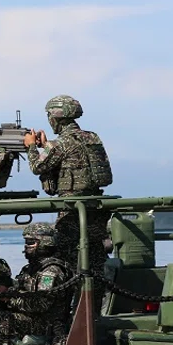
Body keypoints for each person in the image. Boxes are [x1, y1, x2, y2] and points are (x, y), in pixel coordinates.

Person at [23, 94, 113, 312]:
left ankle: (68, 318)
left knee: (68, 265)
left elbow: (38, 166)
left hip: (73, 213)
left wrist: (31, 147)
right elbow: (72, 160)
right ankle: (93, 312)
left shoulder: (62, 143)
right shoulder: (92, 137)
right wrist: (47, 146)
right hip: (95, 211)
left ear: (56, 118)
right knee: (94, 261)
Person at [0, 223, 75, 345]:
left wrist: (7, 298)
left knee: (0, 319)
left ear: (45, 243)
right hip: (35, 318)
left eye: (31, 243)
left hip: (48, 322)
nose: (26, 246)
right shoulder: (33, 268)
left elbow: (41, 304)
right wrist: (1, 290)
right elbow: (22, 288)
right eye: (26, 242)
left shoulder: (50, 271)